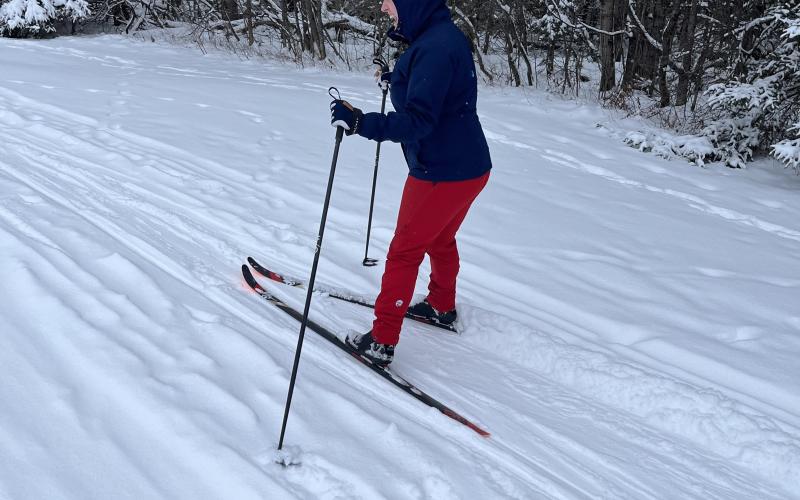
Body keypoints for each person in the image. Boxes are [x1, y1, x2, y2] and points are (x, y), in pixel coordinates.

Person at [329, 0, 492, 367]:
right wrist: (398, 79)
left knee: (405, 251)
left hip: (441, 171)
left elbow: (419, 120)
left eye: (389, 0)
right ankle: (440, 305)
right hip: (469, 166)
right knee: (440, 238)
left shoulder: (434, 47)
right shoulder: (441, 37)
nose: (384, 7)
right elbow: (436, 92)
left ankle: (381, 341)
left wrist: (361, 123)